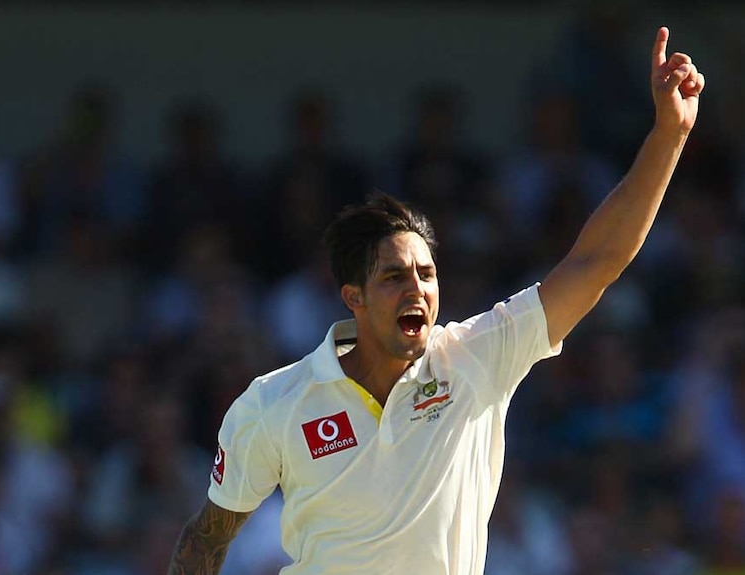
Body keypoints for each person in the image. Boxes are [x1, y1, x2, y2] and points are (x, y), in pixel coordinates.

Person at [166, 27, 705, 575]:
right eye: (394, 277)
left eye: (426, 274)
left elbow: (596, 261)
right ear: (352, 296)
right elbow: (206, 539)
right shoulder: (274, 402)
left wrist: (669, 134)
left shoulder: (478, 356)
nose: (417, 290)